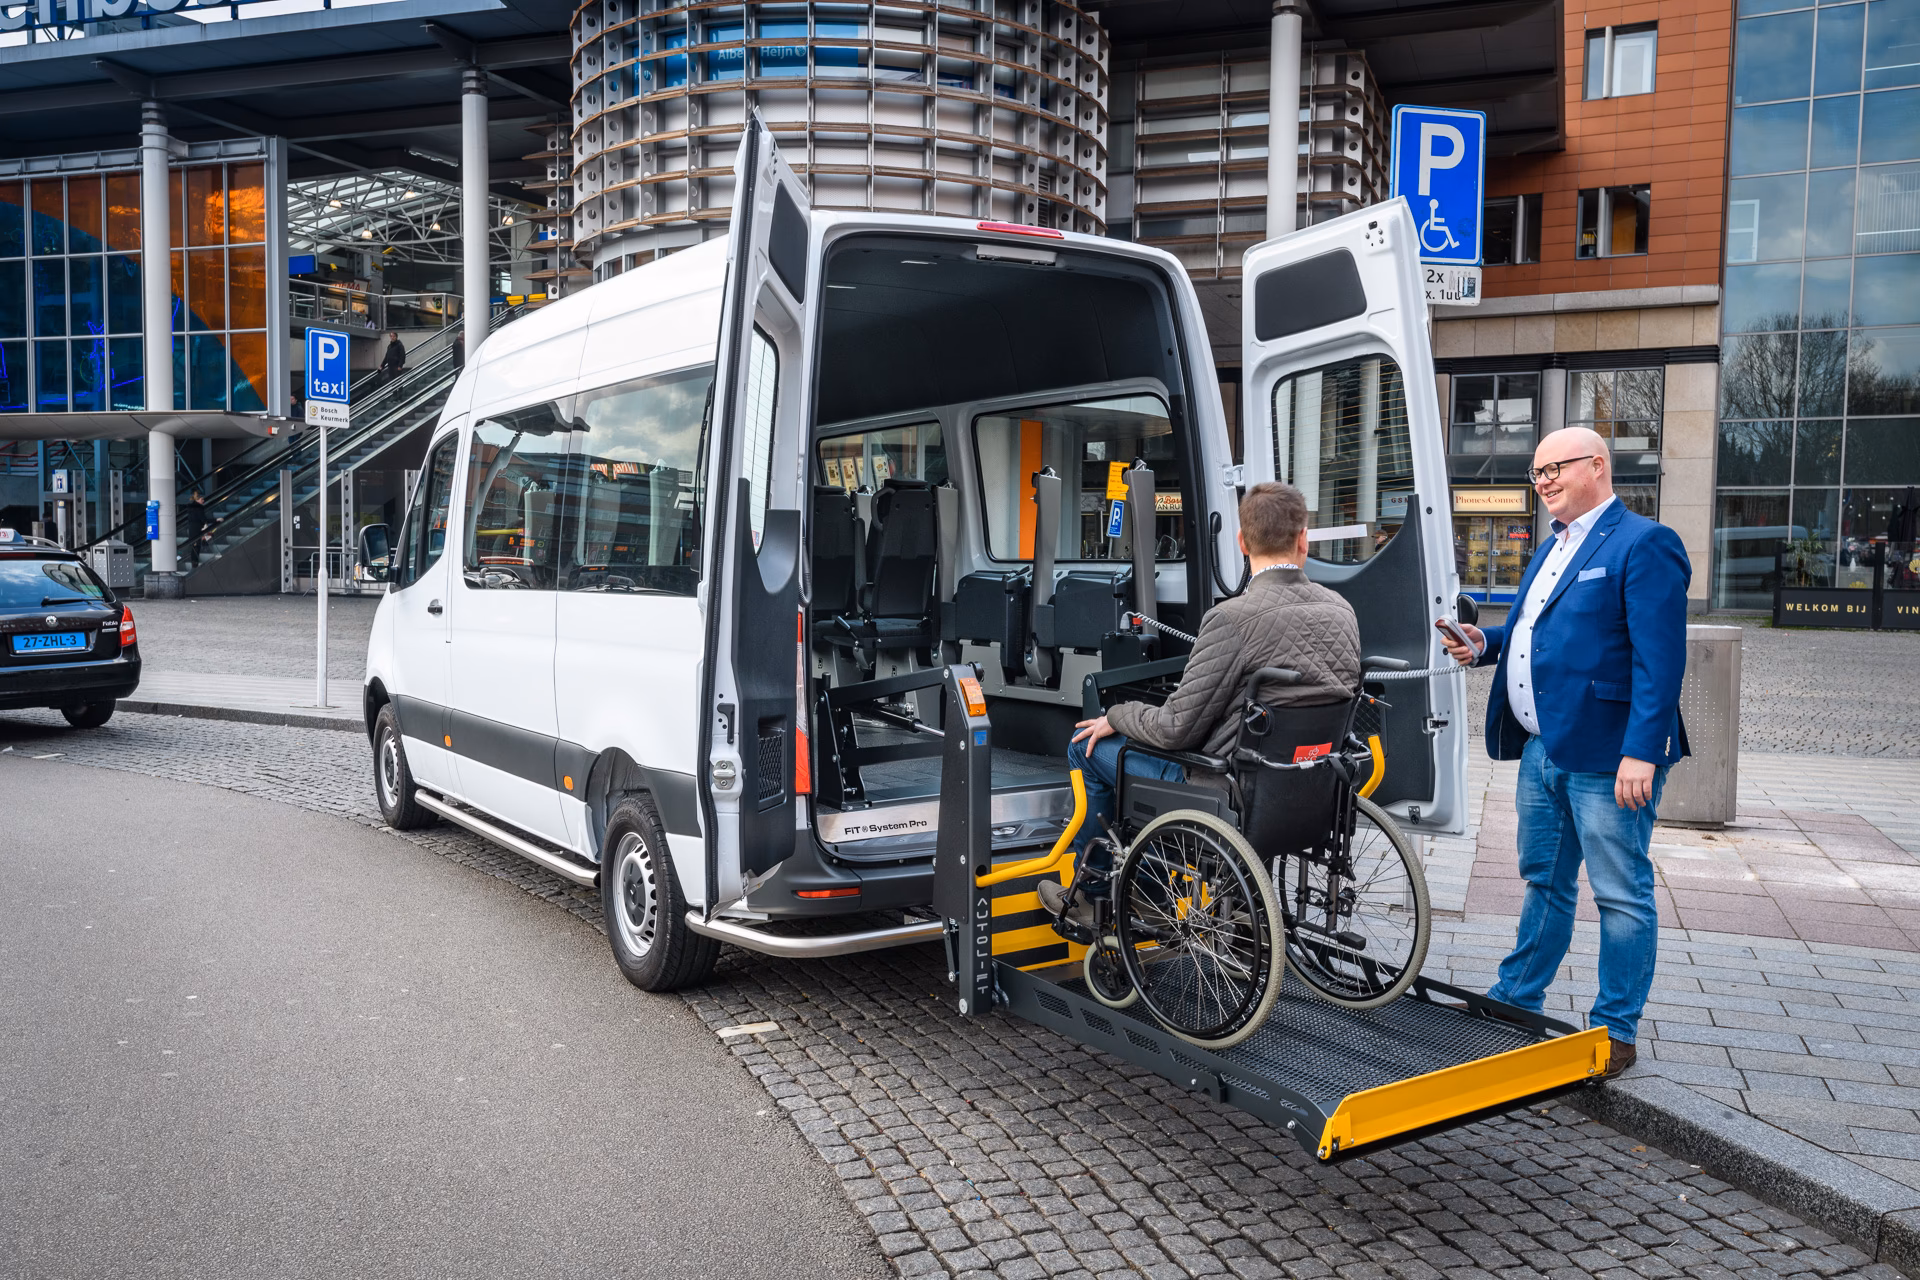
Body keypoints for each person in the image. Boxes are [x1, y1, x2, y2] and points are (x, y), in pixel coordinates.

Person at [1437, 426, 1689, 1080]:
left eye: (1555, 468)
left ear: (1598, 466)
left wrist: (1644, 751)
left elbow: (1660, 661)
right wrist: (1481, 643)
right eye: (1537, 472)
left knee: (1620, 893)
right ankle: (1517, 1000)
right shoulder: (1554, 546)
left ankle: (1614, 1031)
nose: (1542, 480)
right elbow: (1531, 628)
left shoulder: (1645, 542)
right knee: (1543, 880)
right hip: (1544, 750)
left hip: (1610, 758)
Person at [1040, 482, 1361, 925]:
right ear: (1303, 538)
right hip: (1313, 791)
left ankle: (1102, 894)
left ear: (1242, 542)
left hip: (1227, 792)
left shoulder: (1231, 618)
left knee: (1087, 746)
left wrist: (1117, 715)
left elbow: (1175, 729)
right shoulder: (1343, 611)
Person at [180, 491, 207, 570]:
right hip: (197, 529)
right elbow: (203, 519)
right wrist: (216, 520)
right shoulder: (198, 508)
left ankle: (194, 563)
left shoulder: (191, 508)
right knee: (197, 546)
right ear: (198, 500)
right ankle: (195, 563)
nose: (203, 501)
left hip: (192, 529)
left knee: (194, 546)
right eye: (202, 499)